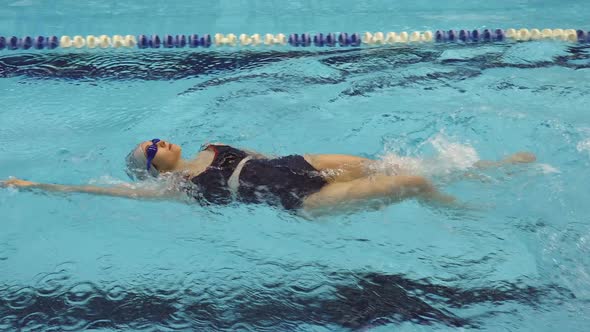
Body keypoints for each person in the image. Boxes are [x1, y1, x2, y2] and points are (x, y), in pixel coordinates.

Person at [1, 138, 536, 216]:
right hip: (302, 201)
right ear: (150, 168)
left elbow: (263, 156)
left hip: (298, 166)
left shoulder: (212, 144)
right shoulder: (178, 187)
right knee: (413, 185)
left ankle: (487, 171)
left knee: (400, 165)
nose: (159, 141)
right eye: (150, 148)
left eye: (156, 136)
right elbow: (103, 189)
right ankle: (470, 214)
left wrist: (315, 163)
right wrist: (34, 186)